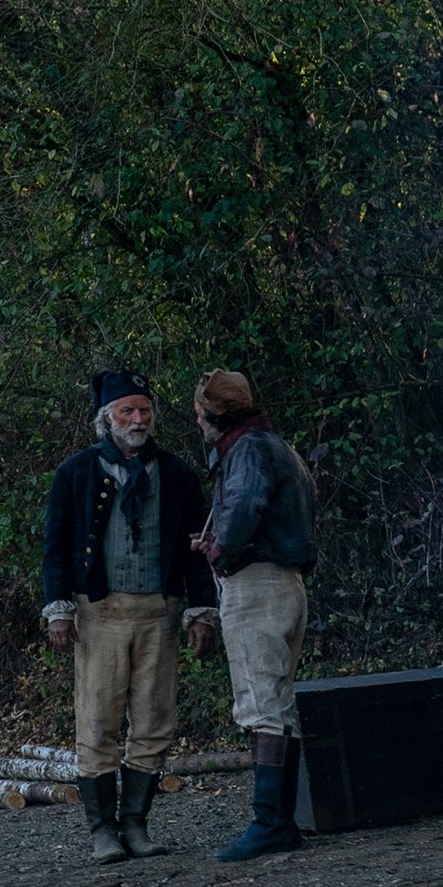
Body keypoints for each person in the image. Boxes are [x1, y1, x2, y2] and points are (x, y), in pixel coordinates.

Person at [38, 369, 220, 861]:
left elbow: (195, 550)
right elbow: (54, 548)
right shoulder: (75, 474)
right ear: (107, 419)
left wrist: (202, 611)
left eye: (143, 411)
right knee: (97, 721)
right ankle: (102, 830)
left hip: (158, 611)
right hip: (99, 612)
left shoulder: (177, 474)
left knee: (155, 719)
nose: (137, 420)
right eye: (127, 411)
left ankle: (136, 824)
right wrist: (58, 611)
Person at [192, 371, 320, 861]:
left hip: (258, 585)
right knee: (276, 700)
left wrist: (220, 548)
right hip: (285, 582)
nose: (199, 420)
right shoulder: (274, 444)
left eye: (200, 412)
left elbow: (245, 505)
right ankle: (276, 822)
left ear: (211, 413)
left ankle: (271, 823)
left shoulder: (245, 449)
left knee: (263, 703)